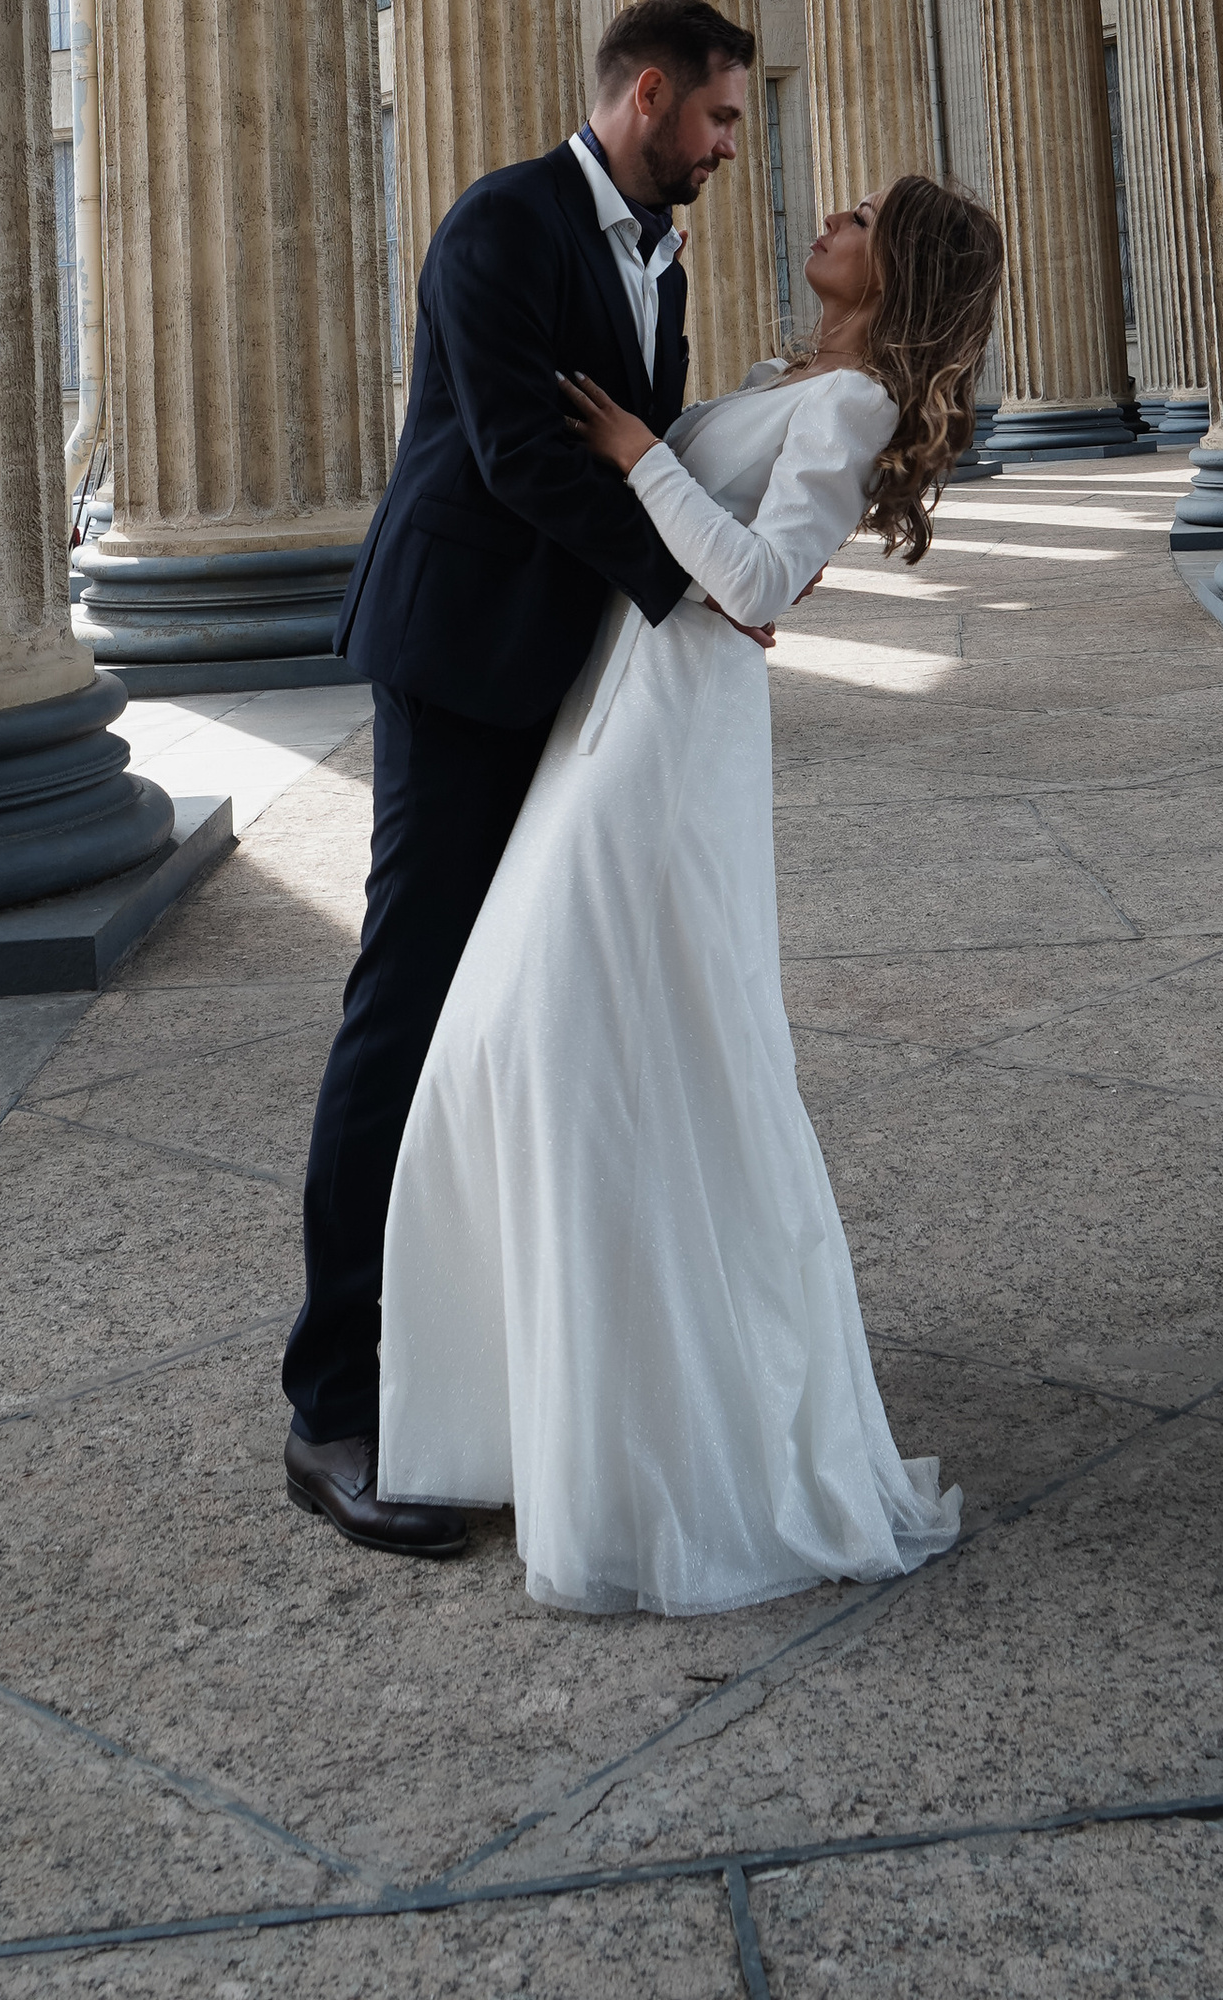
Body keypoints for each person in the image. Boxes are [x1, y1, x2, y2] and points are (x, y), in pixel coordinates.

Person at [379, 167, 1006, 1615]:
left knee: (575, 1041)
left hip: (669, 739)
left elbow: (764, 584)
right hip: (620, 702)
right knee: (528, 1043)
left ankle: (654, 1448)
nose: (832, 215)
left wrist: (632, 451)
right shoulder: (796, 379)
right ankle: (555, 1411)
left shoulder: (849, 410)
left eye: (864, 217)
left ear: (896, 268)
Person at [282, 0, 761, 1556]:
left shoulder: (658, 248)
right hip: (455, 654)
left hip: (553, 665)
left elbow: (644, 434)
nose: (727, 145)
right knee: (407, 1006)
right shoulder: (500, 224)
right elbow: (522, 453)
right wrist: (698, 587)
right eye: (717, 117)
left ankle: (475, 1361)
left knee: (512, 1009)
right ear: (646, 95)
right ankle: (333, 1404)